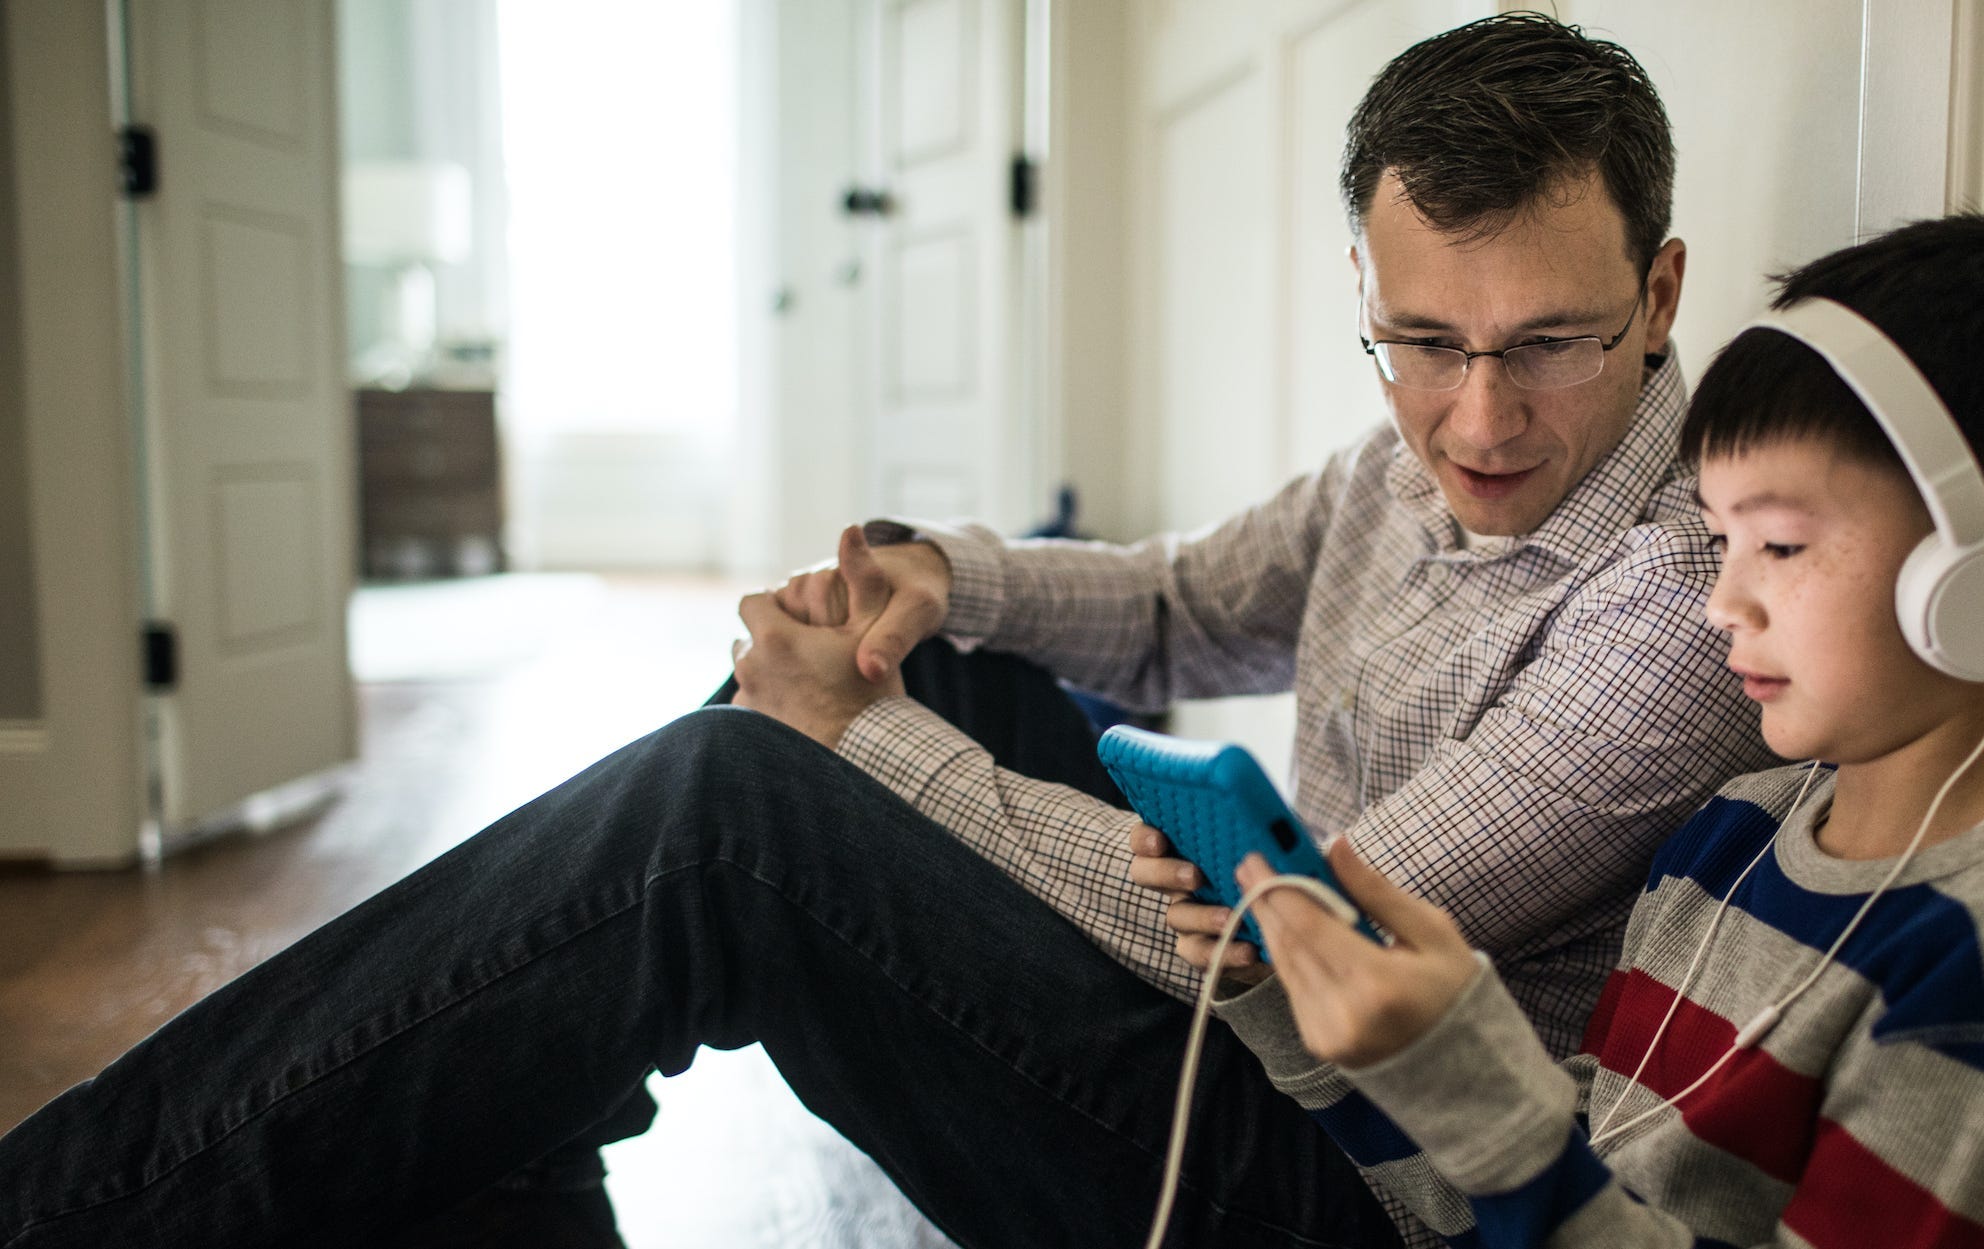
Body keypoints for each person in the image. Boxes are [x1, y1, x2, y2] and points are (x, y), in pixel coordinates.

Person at [0, 14, 1769, 1248]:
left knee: (742, 803)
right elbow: (1167, 605)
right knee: (920, 670)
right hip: (1246, 1024)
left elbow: (1303, 936)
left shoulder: (1681, 599)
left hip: (1342, 1181)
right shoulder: (1402, 469)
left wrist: (855, 741)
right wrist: (938, 580)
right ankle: (497, 1148)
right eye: (1420, 342)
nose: (1474, 419)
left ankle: (70, 1209)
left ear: (1662, 289)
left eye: (1547, 342)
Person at [1152, 215, 1984, 1246]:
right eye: (1724, 537)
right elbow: (1549, 1196)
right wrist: (1289, 1000)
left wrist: (1477, 1093)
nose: (1721, 600)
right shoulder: (1729, 839)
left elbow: (1534, 1174)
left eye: (1779, 544)